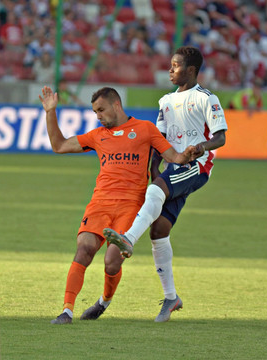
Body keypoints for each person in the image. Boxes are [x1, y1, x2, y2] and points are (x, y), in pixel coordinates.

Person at [39, 85, 196, 325]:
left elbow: (173, 156)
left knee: (112, 261)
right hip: (99, 203)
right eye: (95, 112)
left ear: (116, 105)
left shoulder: (145, 129)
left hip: (130, 206)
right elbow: (59, 145)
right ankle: (66, 311)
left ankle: (104, 301)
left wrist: (189, 154)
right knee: (84, 249)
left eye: (101, 110)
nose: (98, 116)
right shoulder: (97, 135)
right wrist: (50, 111)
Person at [104, 46, 227, 322]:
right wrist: (152, 168)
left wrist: (201, 146)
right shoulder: (165, 101)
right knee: (159, 230)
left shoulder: (207, 99)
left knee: (157, 190)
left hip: (197, 165)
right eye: (170, 65)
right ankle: (171, 298)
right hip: (174, 165)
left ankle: (128, 239)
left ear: (192, 71)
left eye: (176, 65)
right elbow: (158, 142)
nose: (170, 69)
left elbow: (220, 138)